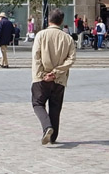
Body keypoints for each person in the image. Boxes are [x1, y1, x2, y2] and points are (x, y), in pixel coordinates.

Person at [31, 8, 76, 145]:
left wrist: (43, 74)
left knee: (38, 103)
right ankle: (53, 137)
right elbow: (71, 59)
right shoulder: (68, 38)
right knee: (55, 107)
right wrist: (56, 72)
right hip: (59, 79)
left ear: (48, 19)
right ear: (61, 21)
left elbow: (36, 57)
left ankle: (47, 127)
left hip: (41, 78)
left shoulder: (41, 35)